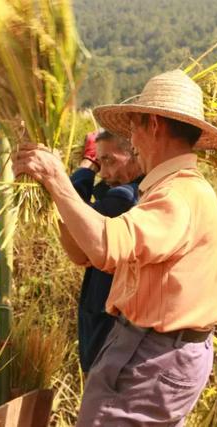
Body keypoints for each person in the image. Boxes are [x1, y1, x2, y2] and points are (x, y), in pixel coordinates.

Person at [12, 69, 217, 426]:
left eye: (134, 129)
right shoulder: (171, 190)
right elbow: (82, 253)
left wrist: (57, 178)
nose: (132, 141)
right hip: (158, 350)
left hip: (152, 353)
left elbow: (104, 245)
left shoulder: (177, 197)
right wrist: (54, 195)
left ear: (154, 125)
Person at [59, 130, 143, 374]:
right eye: (99, 160)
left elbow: (72, 212)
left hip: (113, 328)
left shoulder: (127, 198)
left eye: (109, 160)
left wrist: (87, 165)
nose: (104, 173)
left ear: (136, 155)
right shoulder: (114, 191)